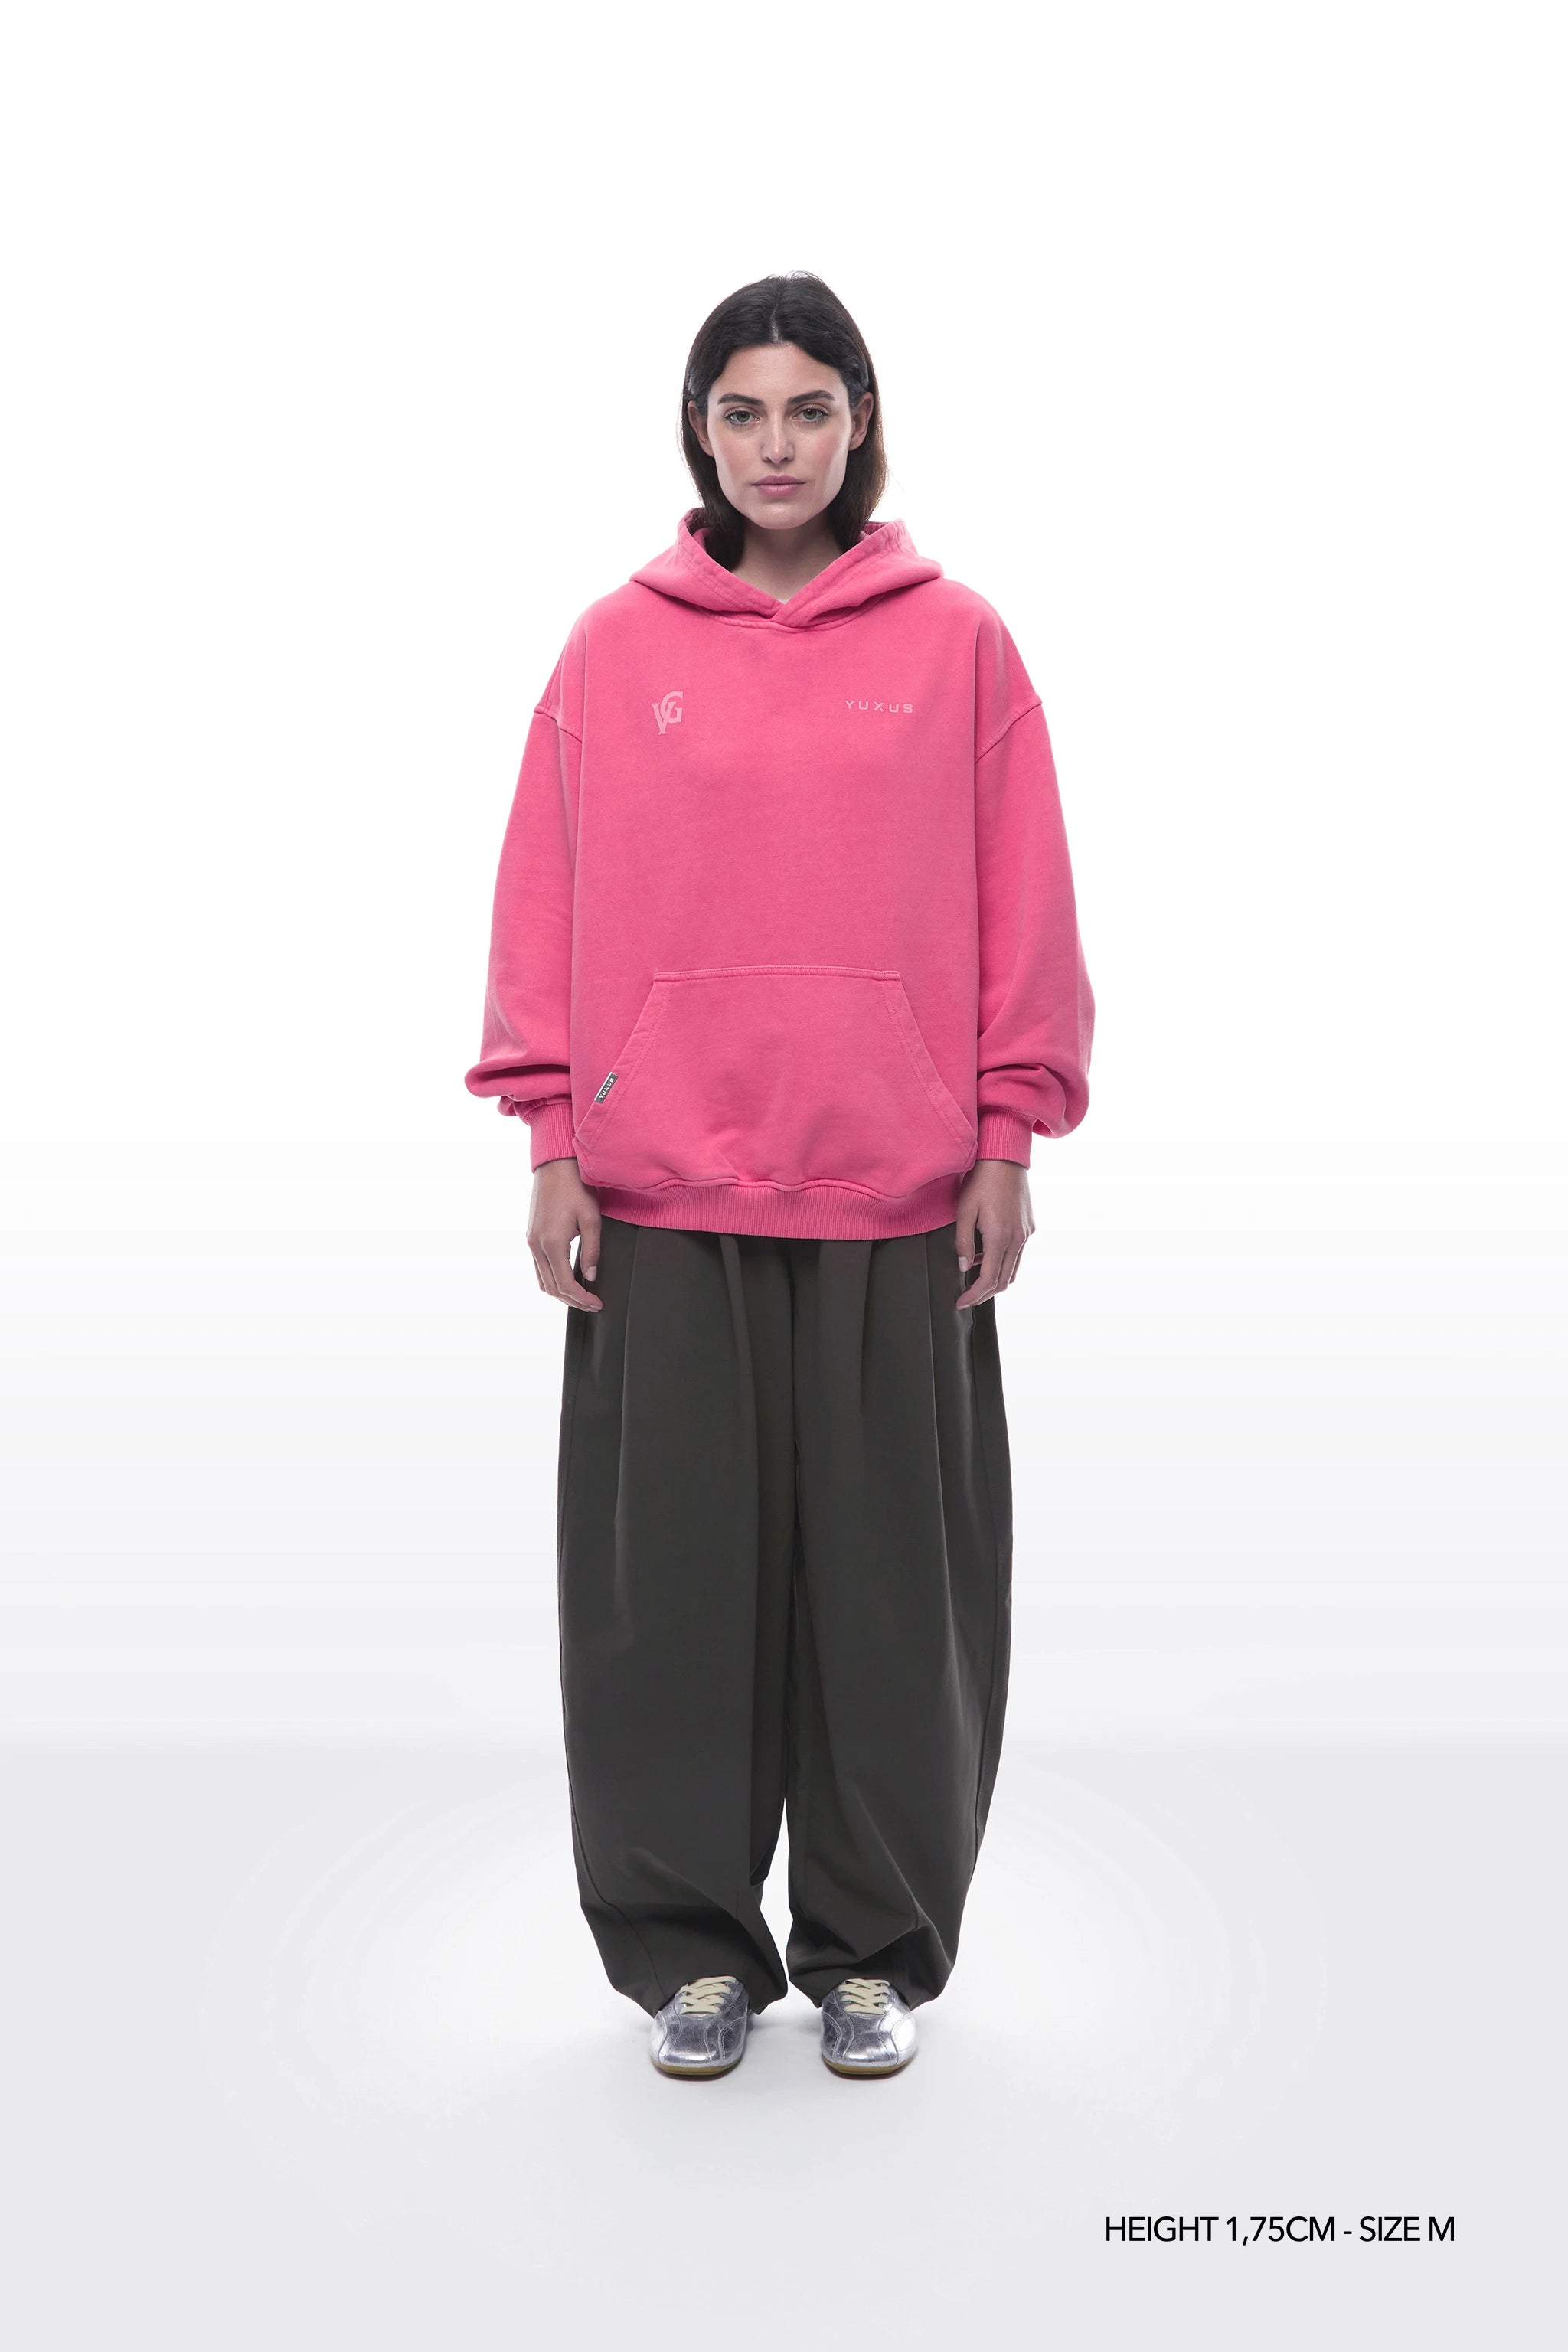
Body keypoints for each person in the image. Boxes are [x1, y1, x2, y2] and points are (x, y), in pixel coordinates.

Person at [466, 272, 1093, 2079]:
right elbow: (542, 900)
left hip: (897, 1192)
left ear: (859, 423)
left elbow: (1022, 901)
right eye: (740, 412)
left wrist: (1004, 1136)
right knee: (666, 1605)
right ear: (698, 429)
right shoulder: (613, 648)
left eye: (808, 409)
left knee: (891, 1599)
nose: (774, 446)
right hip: (661, 1191)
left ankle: (872, 1951)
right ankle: (690, 1954)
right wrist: (552, 1139)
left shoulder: (958, 643)